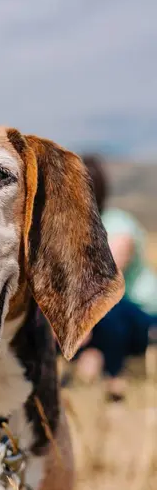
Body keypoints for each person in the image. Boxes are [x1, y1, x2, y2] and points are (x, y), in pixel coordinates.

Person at [71, 154, 157, 401]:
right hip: (103, 323)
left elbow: (105, 281)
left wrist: (80, 322)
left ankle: (114, 379)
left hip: (141, 317)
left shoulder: (118, 225)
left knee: (109, 308)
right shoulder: (70, 230)